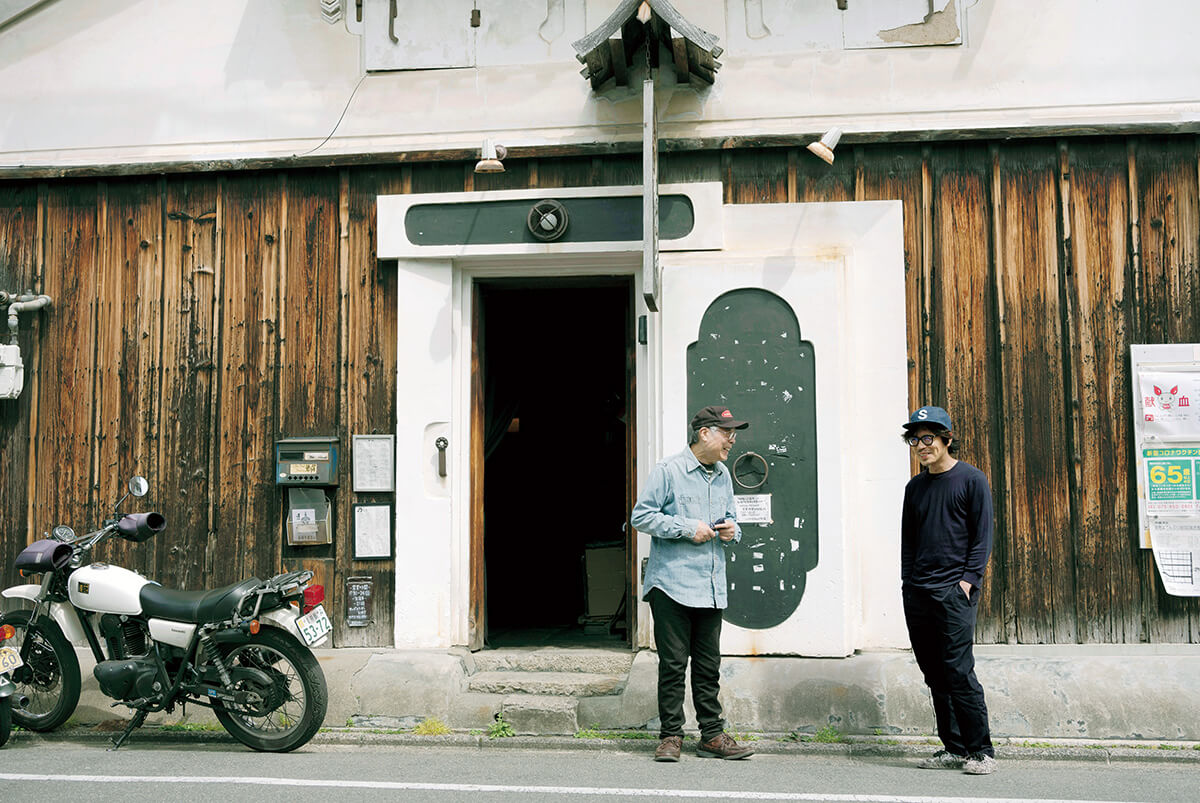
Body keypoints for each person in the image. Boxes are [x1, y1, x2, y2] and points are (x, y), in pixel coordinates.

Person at [631, 405, 755, 762]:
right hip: (671, 584)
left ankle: (712, 736)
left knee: (707, 665)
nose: (733, 439)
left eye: (734, 433)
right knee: (672, 664)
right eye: (726, 432)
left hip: (712, 586)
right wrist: (688, 528)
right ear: (704, 433)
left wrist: (733, 530)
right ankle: (671, 736)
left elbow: (731, 518)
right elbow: (642, 515)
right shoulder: (668, 470)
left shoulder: (723, 476)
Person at [900, 405, 997, 775]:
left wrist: (968, 581)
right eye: (915, 439)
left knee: (958, 670)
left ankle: (981, 751)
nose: (922, 446)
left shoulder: (972, 480)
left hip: (955, 592)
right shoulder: (915, 488)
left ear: (947, 439)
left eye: (928, 438)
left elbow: (981, 537)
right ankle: (954, 748)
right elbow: (909, 541)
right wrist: (907, 583)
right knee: (934, 673)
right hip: (919, 592)